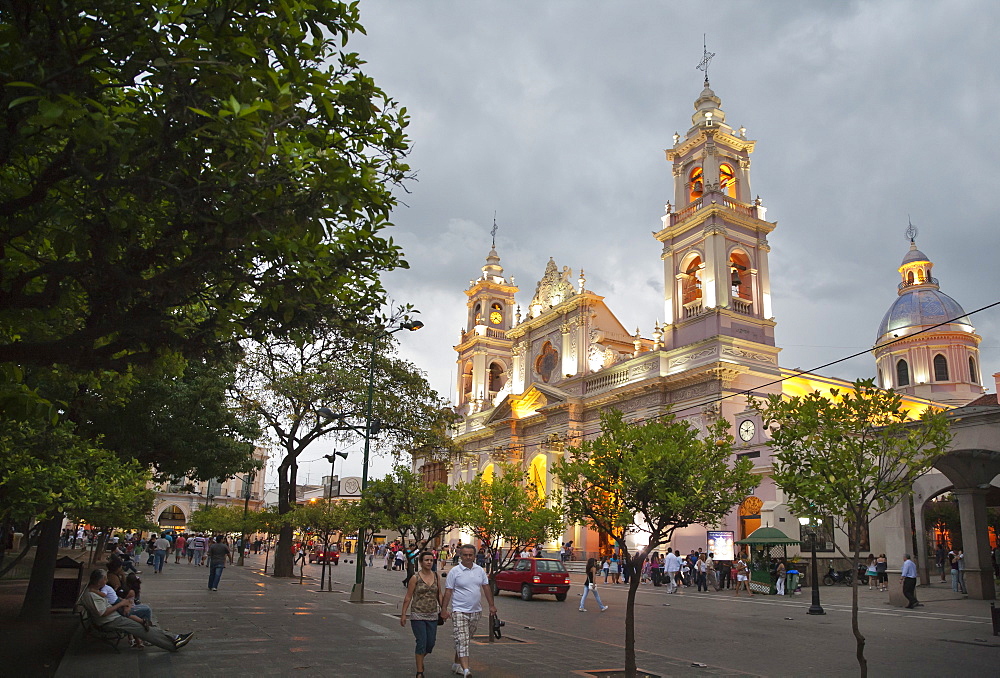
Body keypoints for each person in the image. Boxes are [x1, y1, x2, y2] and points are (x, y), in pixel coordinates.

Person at [78, 568, 193, 652]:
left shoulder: (92, 591)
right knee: (141, 628)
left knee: (143, 624)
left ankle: (173, 637)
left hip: (113, 617)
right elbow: (103, 613)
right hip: (110, 621)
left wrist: (123, 604)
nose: (106, 580)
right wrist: (121, 604)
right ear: (99, 581)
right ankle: (171, 644)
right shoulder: (92, 595)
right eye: (105, 579)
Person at [441, 544, 497, 678]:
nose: (467, 557)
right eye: (465, 555)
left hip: (476, 611)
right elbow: (448, 591)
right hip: (459, 610)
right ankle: (466, 670)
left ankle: (456, 664)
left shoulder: (480, 571)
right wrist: (444, 609)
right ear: (460, 556)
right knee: (463, 640)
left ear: (474, 556)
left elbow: (486, 587)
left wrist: (491, 605)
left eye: (470, 555)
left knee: (465, 639)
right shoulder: (455, 572)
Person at [401, 551, 444, 678]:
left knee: (430, 644)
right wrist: (403, 614)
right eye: (426, 560)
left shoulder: (436, 576)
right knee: (421, 642)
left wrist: (444, 609)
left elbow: (439, 594)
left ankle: (420, 659)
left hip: (432, 615)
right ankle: (420, 672)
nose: (429, 562)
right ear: (421, 562)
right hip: (418, 614)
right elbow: (408, 597)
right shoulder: (415, 578)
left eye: (431, 560)